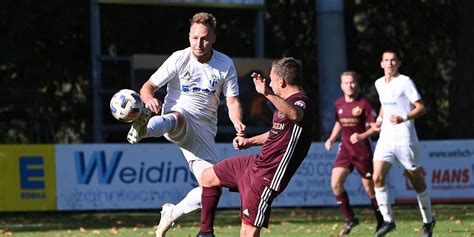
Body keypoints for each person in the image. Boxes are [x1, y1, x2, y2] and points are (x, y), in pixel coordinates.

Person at [127, 12, 246, 237]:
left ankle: (176, 214)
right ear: (189, 36)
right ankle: (145, 129)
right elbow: (147, 87)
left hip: (204, 130)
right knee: (179, 117)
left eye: (204, 38)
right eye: (194, 38)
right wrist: (150, 98)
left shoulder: (224, 64)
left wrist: (237, 121)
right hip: (176, 118)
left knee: (211, 185)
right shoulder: (179, 58)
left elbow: (232, 101)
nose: (198, 44)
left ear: (213, 38)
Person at [195, 57, 314, 237]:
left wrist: (267, 93)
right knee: (208, 177)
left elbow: (295, 114)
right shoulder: (282, 103)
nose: (270, 83)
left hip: (268, 175)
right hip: (256, 163)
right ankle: (205, 233)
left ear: (282, 81)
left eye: (272, 79)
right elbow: (276, 133)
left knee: (247, 232)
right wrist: (249, 141)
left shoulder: (301, 101)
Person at [371, 50, 435, 237]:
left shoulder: (405, 82)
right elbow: (385, 103)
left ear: (398, 63)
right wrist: (380, 120)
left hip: (405, 139)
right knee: (377, 178)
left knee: (416, 181)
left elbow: (421, 107)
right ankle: (388, 220)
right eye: (386, 60)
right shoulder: (379, 83)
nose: (390, 63)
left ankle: (428, 221)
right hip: (386, 139)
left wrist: (404, 117)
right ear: (381, 64)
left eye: (393, 60)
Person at [324, 71, 384, 235]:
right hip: (345, 150)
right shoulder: (339, 103)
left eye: (352, 82)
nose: (349, 86)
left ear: (356, 84)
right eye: (346, 83)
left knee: (370, 189)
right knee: (335, 183)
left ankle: (382, 219)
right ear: (341, 85)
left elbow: (375, 127)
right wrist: (331, 139)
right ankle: (350, 218)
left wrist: (361, 136)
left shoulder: (364, 104)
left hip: (362, 151)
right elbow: (339, 123)